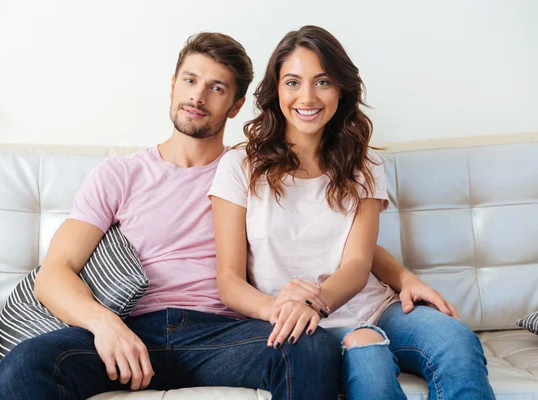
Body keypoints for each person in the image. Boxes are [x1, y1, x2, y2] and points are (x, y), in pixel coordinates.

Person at [0, 31, 461, 399]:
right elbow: (54, 275)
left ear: (236, 105)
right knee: (23, 368)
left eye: (217, 88)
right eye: (190, 80)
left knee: (311, 348)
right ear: (172, 85)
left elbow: (336, 236)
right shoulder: (119, 174)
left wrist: (401, 276)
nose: (198, 96)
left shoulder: (257, 168)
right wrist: (105, 324)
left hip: (226, 332)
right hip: (133, 327)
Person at [209, 25, 495, 399]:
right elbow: (229, 280)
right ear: (276, 89)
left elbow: (359, 264)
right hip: (297, 326)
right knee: (367, 361)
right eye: (292, 82)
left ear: (341, 88)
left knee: (455, 340)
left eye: (323, 81)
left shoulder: (363, 163)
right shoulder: (238, 165)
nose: (307, 96)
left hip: (374, 308)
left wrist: (398, 279)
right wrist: (281, 308)